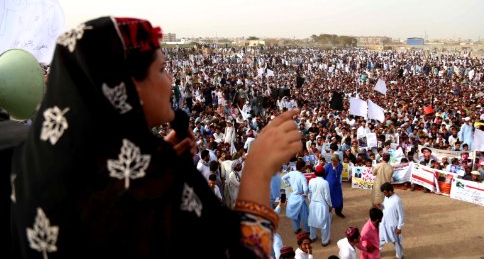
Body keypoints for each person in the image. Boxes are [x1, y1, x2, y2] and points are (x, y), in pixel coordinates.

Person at [10, 17, 303, 258]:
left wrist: (149, 163)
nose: (170, 82)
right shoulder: (147, 194)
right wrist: (257, 171)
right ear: (127, 88)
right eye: (161, 69)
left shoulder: (33, 163)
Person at [282, 160, 310, 234]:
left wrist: (288, 184)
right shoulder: (302, 176)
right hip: (300, 197)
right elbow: (305, 189)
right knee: (304, 215)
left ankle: (296, 229)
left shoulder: (291, 173)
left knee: (295, 215)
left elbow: (283, 178)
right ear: (302, 167)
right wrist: (305, 194)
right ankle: (307, 230)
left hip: (292, 196)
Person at [308, 165, 332, 247]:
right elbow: (327, 197)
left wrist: (310, 200)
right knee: (324, 224)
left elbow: (309, 193)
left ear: (315, 173)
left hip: (313, 203)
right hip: (322, 205)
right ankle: (325, 241)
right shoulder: (325, 183)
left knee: (312, 221)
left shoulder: (311, 181)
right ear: (323, 173)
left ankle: (312, 237)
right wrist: (330, 206)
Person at [379, 182, 405, 259]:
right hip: (384, 223)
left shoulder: (397, 200)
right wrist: (380, 205)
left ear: (390, 191)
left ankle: (399, 256)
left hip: (393, 226)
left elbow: (401, 215)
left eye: (385, 192)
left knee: (396, 242)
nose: (384, 194)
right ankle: (375, 253)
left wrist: (399, 227)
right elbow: (385, 206)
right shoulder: (386, 197)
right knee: (380, 239)